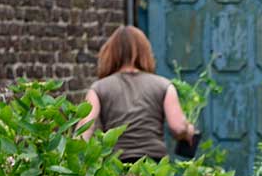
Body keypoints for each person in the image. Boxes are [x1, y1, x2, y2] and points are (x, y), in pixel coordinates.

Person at [81, 25, 196, 162]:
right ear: (145, 52)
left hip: (116, 166)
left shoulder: (98, 88)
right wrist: (189, 130)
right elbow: (177, 127)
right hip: (153, 167)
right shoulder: (164, 85)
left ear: (110, 53)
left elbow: (83, 132)